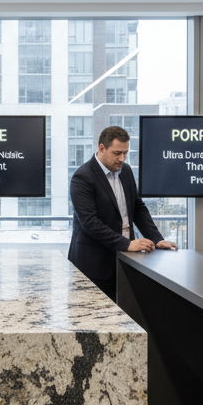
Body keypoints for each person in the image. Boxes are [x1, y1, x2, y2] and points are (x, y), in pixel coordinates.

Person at [68, 124, 177, 300]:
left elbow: (138, 207)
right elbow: (90, 223)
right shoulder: (82, 177)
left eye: (125, 153)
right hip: (94, 265)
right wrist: (127, 244)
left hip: (125, 260)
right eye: (117, 153)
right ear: (102, 148)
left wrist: (157, 239)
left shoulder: (125, 170)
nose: (122, 158)